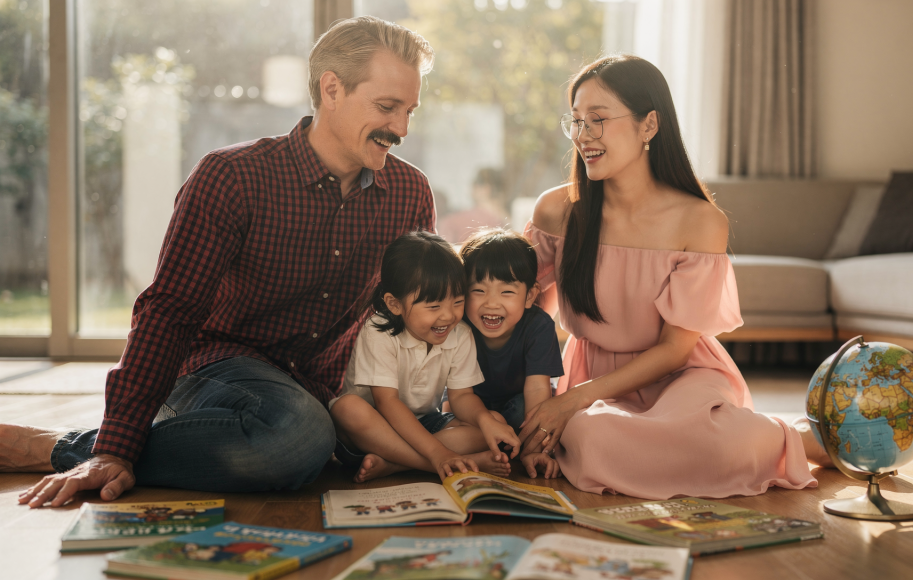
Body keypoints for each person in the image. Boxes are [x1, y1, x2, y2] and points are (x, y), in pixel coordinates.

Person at [1, 16, 437, 507]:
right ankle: (70, 446)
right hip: (215, 369)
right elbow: (169, 310)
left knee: (395, 430)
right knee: (298, 436)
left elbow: (419, 314)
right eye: (387, 107)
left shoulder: (409, 193)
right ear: (331, 88)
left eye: (410, 111)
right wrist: (116, 447)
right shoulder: (232, 176)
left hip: (322, 387)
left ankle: (274, 438)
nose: (400, 128)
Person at [519, 55, 823, 500]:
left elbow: (673, 349)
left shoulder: (700, 221)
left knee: (717, 443)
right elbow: (523, 308)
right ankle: (765, 439)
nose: (583, 136)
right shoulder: (557, 210)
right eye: (577, 121)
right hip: (593, 377)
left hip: (680, 375)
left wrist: (571, 399)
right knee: (590, 437)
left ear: (649, 125)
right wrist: (543, 393)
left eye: (599, 120)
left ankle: (798, 439)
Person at [330, 231, 520, 483]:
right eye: (433, 307)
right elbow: (387, 402)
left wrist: (484, 420)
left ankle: (394, 465)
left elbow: (462, 397)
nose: (448, 316)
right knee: (346, 408)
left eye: (457, 302)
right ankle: (435, 463)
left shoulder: (460, 334)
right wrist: (438, 454)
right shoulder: (378, 330)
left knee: (493, 420)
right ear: (394, 304)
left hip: (426, 424)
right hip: (374, 429)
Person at [457, 228, 564, 479]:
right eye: (478, 290)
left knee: (527, 410)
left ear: (530, 296)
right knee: (456, 424)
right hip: (471, 409)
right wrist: (484, 419)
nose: (491, 303)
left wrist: (534, 450)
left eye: (506, 292)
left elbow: (538, 391)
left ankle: (513, 449)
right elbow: (457, 396)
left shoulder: (538, 326)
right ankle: (483, 451)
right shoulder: (459, 326)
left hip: (517, 407)